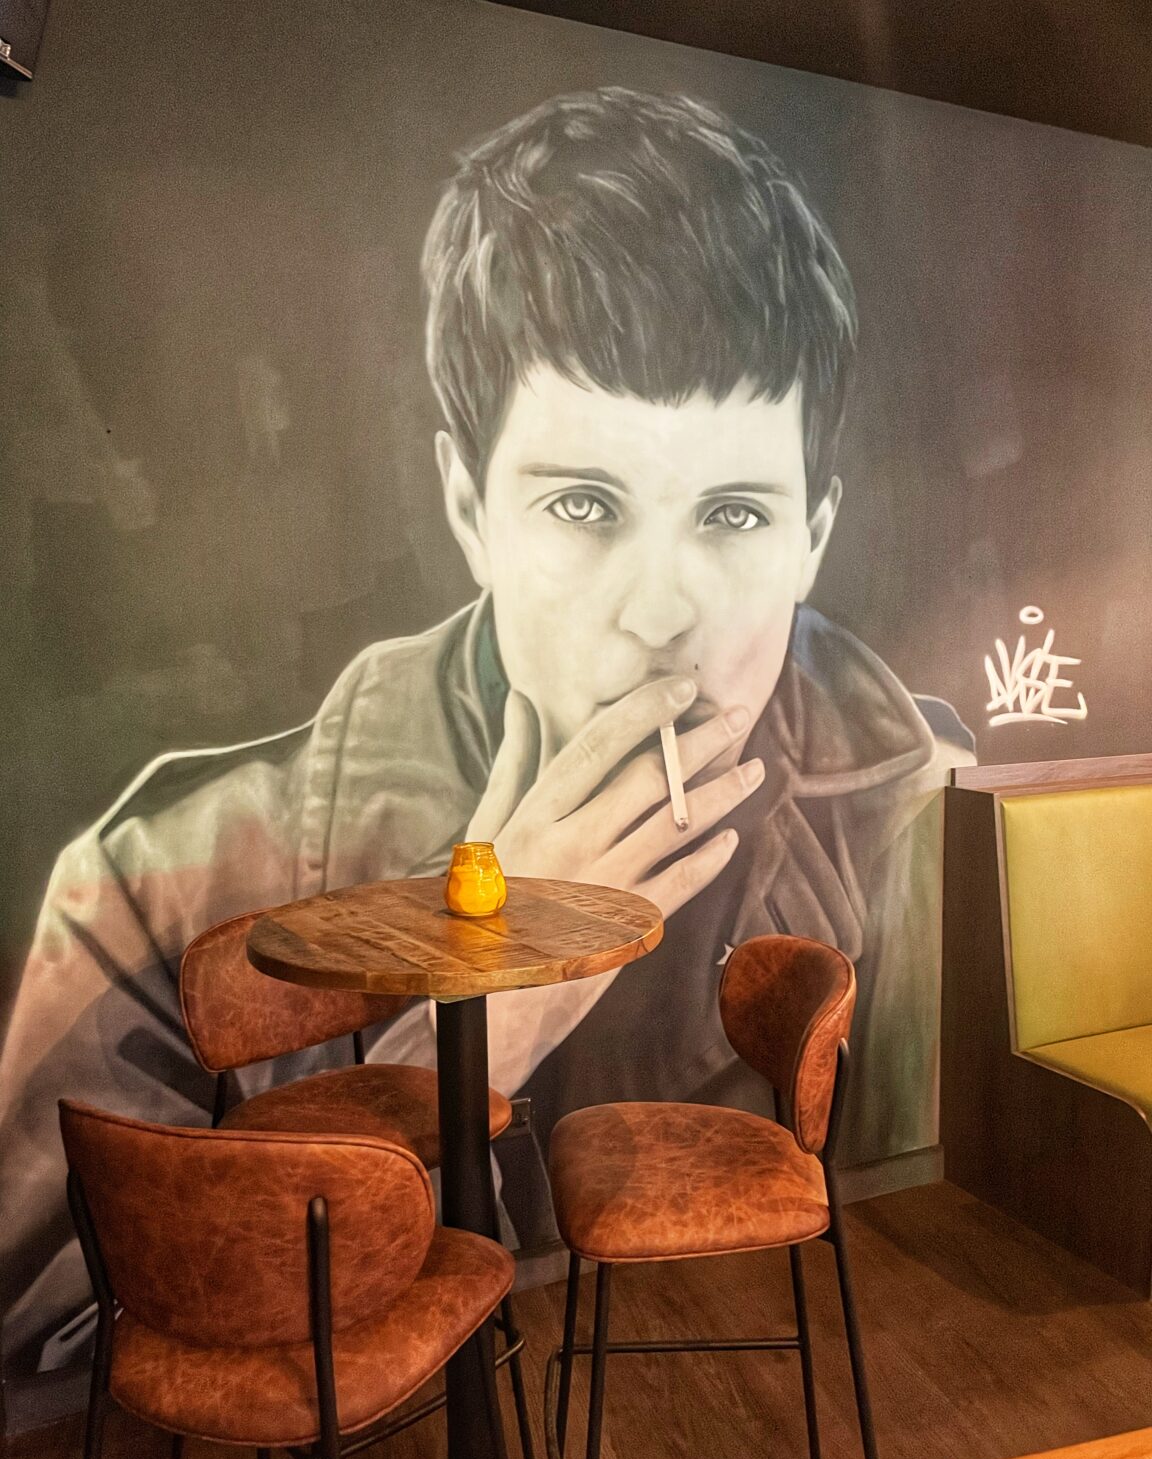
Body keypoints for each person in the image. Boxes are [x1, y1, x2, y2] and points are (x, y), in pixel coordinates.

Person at [0, 86, 973, 1373]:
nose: (661, 612)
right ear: (469, 508)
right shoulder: (151, 884)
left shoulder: (918, 814)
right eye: (584, 505)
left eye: (734, 514)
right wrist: (486, 1013)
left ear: (813, 538)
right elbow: (65, 1350)